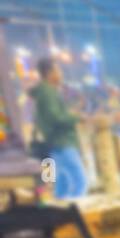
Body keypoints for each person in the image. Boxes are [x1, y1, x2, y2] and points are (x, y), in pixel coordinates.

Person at [30, 58, 87, 199]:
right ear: (50, 73)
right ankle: (75, 212)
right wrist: (76, 118)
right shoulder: (48, 92)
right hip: (62, 141)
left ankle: (60, 214)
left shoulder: (45, 92)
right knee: (80, 180)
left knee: (62, 184)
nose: (61, 74)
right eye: (59, 70)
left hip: (53, 143)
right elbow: (56, 118)